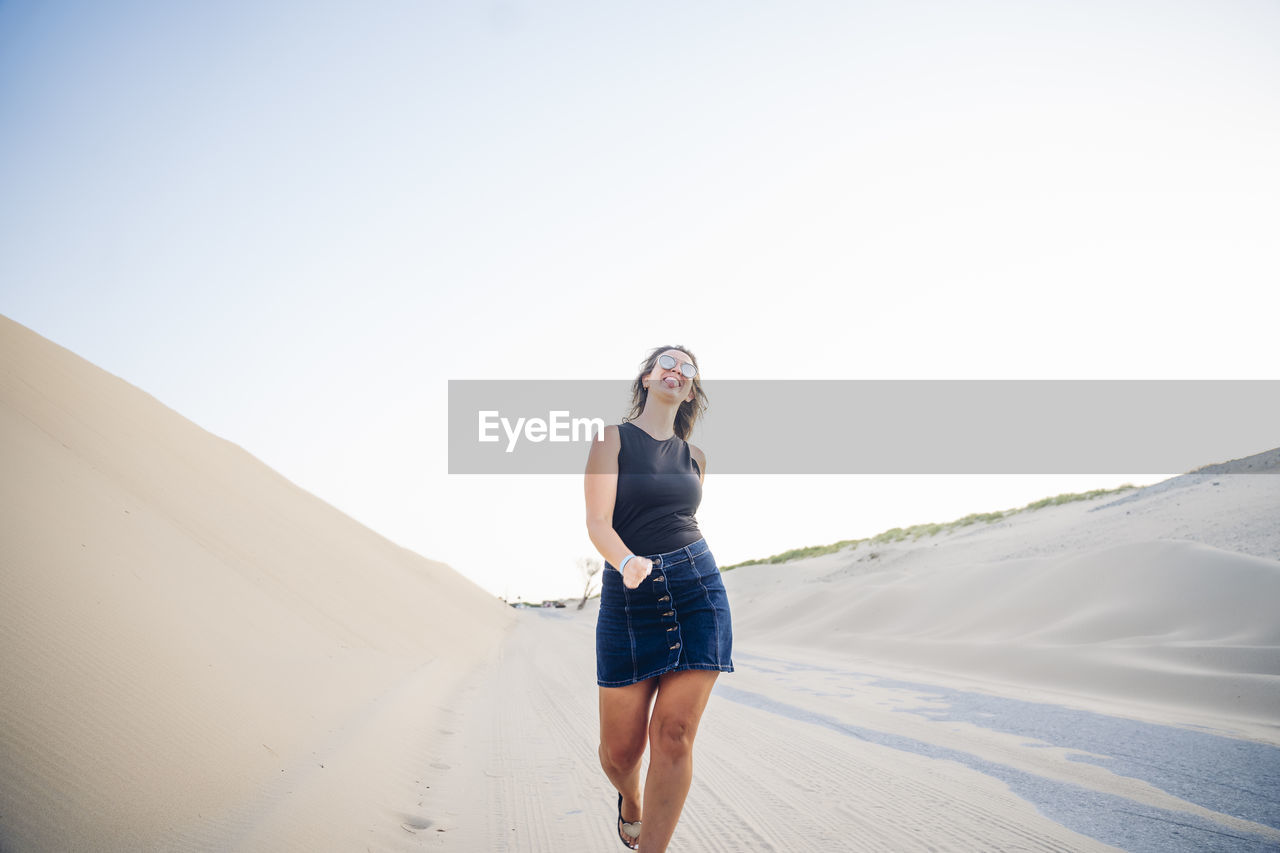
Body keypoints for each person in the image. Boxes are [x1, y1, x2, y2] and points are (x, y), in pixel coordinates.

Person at [584, 345, 734, 851]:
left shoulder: (696, 458)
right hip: (630, 595)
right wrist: (627, 562)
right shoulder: (613, 439)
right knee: (620, 753)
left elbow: (681, 519)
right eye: (667, 362)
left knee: (673, 736)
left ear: (689, 388)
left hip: (697, 589)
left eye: (687, 368)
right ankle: (630, 798)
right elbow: (599, 524)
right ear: (647, 378)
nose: (677, 370)